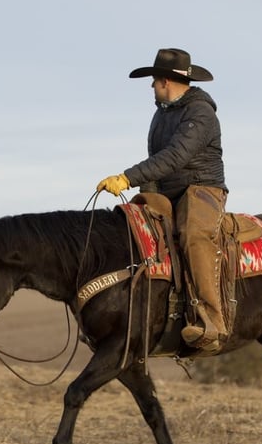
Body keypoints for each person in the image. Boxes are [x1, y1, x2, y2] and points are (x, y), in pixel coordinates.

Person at [96, 48, 228, 353]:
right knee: (129, 226)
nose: (152, 86)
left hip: (202, 188)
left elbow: (175, 156)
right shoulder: (161, 115)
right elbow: (157, 161)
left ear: (167, 81)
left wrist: (127, 177)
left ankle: (211, 320)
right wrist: (143, 196)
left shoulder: (200, 112)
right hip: (167, 190)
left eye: (154, 80)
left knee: (194, 236)